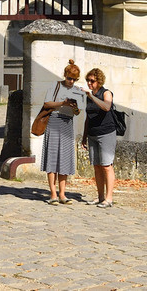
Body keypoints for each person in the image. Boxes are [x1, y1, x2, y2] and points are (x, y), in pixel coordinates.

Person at [38, 59, 84, 204]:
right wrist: (62, 103)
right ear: (65, 75)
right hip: (54, 120)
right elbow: (47, 103)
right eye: (69, 78)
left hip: (67, 123)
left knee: (64, 158)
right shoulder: (55, 85)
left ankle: (62, 194)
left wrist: (75, 107)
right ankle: (53, 194)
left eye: (74, 79)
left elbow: (77, 113)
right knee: (52, 157)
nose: (71, 81)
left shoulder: (77, 90)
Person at [80, 67, 118, 207]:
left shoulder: (106, 93)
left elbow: (106, 107)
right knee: (96, 166)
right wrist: (84, 137)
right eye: (88, 80)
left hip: (106, 133)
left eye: (92, 81)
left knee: (106, 165)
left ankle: (109, 198)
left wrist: (92, 97)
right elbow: (88, 118)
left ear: (99, 81)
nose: (89, 83)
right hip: (92, 134)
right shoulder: (89, 96)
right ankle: (100, 196)